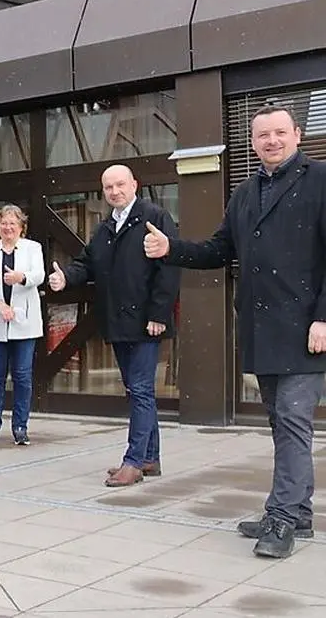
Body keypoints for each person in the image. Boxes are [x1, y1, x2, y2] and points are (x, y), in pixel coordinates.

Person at [144, 104, 326, 559]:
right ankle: (296, 511)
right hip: (263, 330)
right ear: (252, 142)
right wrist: (172, 249)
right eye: (262, 135)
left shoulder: (321, 181)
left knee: (292, 419)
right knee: (283, 425)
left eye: (280, 133)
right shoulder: (245, 193)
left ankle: (282, 518)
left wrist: (324, 317)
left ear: (297, 135)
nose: (272, 141)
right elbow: (218, 250)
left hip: (307, 328)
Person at [48, 164, 179, 488]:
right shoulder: (105, 227)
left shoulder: (155, 217)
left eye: (120, 184)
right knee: (137, 391)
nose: (115, 191)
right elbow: (87, 263)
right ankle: (150, 457)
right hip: (118, 323)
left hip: (147, 323)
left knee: (141, 391)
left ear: (134, 184)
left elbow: (169, 271)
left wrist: (159, 315)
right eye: (108, 187)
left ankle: (133, 462)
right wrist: (65, 277)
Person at [0, 204, 45, 446]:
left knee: (23, 376)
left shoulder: (33, 248)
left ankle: (20, 426)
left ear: (21, 227)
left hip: (24, 323)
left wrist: (20, 277)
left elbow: (39, 275)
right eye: (4, 223)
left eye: (13, 223)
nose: (8, 227)